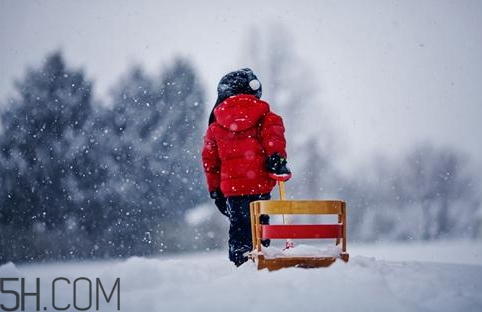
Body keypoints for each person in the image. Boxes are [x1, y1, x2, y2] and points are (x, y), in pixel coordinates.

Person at [202, 68, 291, 266]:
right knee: (260, 227)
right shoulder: (267, 117)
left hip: (233, 190)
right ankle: (262, 257)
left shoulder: (215, 127)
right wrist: (277, 159)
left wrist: (215, 190)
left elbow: (210, 162)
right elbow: (274, 137)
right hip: (259, 185)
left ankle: (241, 262)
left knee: (239, 228)